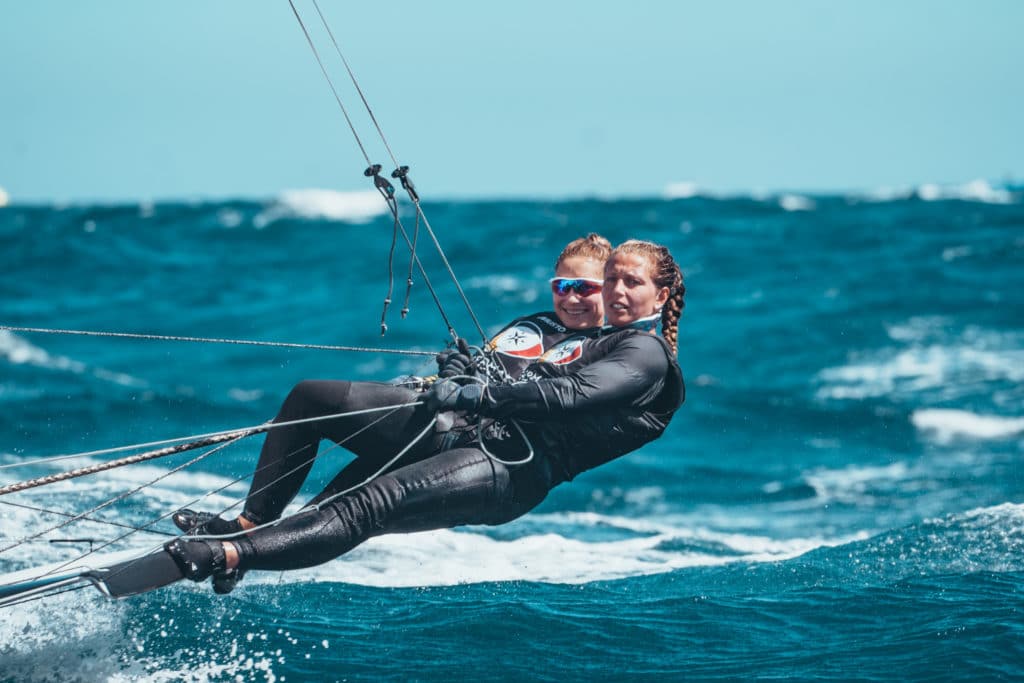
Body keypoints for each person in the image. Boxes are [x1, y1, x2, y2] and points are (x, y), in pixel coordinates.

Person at [166, 238, 685, 590]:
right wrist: (463, 369)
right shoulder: (538, 327)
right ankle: (247, 526)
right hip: (451, 432)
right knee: (312, 398)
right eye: (564, 286)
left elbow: (566, 395)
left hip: (509, 465)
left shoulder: (641, 352)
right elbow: (492, 373)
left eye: (601, 285)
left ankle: (228, 556)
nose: (590, 295)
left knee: (362, 504)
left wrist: (478, 394)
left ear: (657, 295)